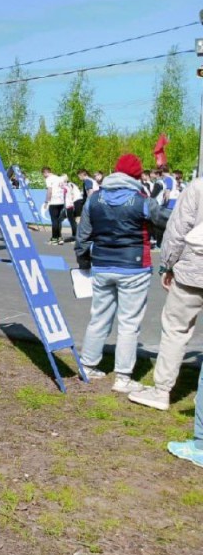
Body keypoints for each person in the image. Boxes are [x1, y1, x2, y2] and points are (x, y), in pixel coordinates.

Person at [74, 154, 166, 392]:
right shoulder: (142, 200)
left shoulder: (94, 198)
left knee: (99, 317)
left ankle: (88, 365)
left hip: (102, 266)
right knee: (129, 324)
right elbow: (165, 221)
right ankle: (123, 377)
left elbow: (82, 236)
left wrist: (83, 262)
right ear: (136, 176)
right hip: (134, 267)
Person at [129, 175, 203, 413]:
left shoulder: (198, 187)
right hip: (193, 268)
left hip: (194, 268)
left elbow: (178, 229)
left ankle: (161, 391)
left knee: (175, 329)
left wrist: (167, 264)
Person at [42, 167, 66, 244]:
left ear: (45, 173)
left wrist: (46, 202)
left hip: (54, 202)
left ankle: (54, 239)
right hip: (61, 201)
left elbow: (49, 191)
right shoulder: (59, 178)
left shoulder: (49, 179)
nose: (44, 176)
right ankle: (59, 238)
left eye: (43, 174)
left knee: (54, 220)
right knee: (59, 221)